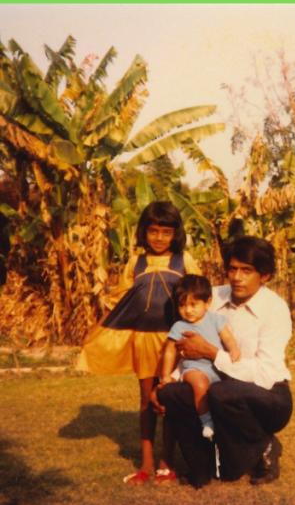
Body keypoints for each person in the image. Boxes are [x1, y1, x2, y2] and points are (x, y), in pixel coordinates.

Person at [77, 201, 202, 486]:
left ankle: (166, 464)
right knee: (148, 401)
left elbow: (199, 297)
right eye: (153, 231)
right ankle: (146, 464)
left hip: (175, 341)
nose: (159, 237)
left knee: (169, 399)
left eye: (166, 232)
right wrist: (96, 328)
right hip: (144, 341)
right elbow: (120, 299)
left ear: (176, 234)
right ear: (144, 231)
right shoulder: (136, 263)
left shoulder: (185, 261)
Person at [156, 235, 293, 489]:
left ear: (265, 276)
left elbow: (263, 374)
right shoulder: (213, 297)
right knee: (174, 393)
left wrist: (211, 352)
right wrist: (168, 380)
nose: (237, 277)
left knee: (221, 392)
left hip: (269, 396)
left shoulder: (275, 309)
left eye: (246, 270)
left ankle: (264, 443)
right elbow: (186, 343)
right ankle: (199, 467)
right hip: (218, 388)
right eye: (232, 269)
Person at [159, 275, 241, 440]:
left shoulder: (215, 320)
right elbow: (169, 351)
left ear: (208, 302)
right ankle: (206, 420)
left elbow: (228, 338)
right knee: (199, 384)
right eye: (182, 305)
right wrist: (166, 375)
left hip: (216, 369)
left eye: (193, 305)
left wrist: (233, 349)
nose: (188, 310)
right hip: (194, 368)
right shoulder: (179, 326)